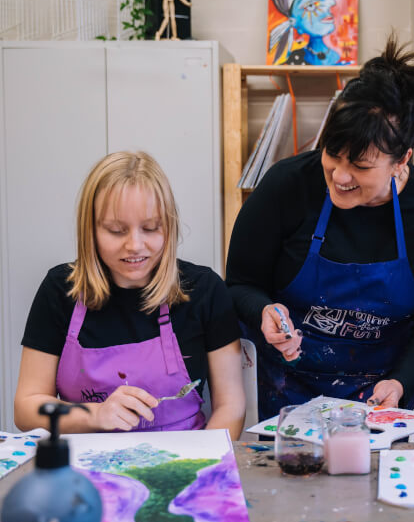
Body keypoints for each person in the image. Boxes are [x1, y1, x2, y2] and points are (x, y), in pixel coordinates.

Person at [226, 36, 414, 420]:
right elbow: (240, 283)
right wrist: (263, 310)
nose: (340, 176)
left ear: (402, 160)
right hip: (282, 392)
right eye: (332, 154)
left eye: (360, 165)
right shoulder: (288, 185)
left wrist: (401, 382)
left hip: (378, 398)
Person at [15, 152, 245, 437]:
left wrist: (205, 460)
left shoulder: (204, 290)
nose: (135, 245)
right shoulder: (60, 290)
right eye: (116, 230)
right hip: (85, 459)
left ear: (169, 226)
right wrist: (95, 414)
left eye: (150, 228)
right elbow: (26, 407)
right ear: (90, 230)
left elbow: (231, 406)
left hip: (185, 456)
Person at [268, 0, 343, 65]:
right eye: (311, 5)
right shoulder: (294, 61)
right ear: (294, 22)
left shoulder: (341, 57)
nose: (328, 7)